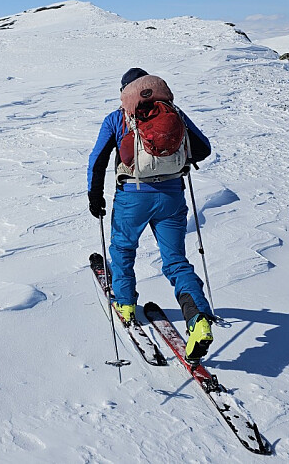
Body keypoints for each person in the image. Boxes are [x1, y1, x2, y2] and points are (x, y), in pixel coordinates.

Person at [87, 67, 215, 362]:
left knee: (123, 249)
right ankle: (198, 319)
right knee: (176, 261)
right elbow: (203, 149)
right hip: (171, 195)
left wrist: (95, 196)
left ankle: (126, 304)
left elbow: (98, 159)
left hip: (133, 196)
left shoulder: (118, 118)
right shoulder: (174, 114)